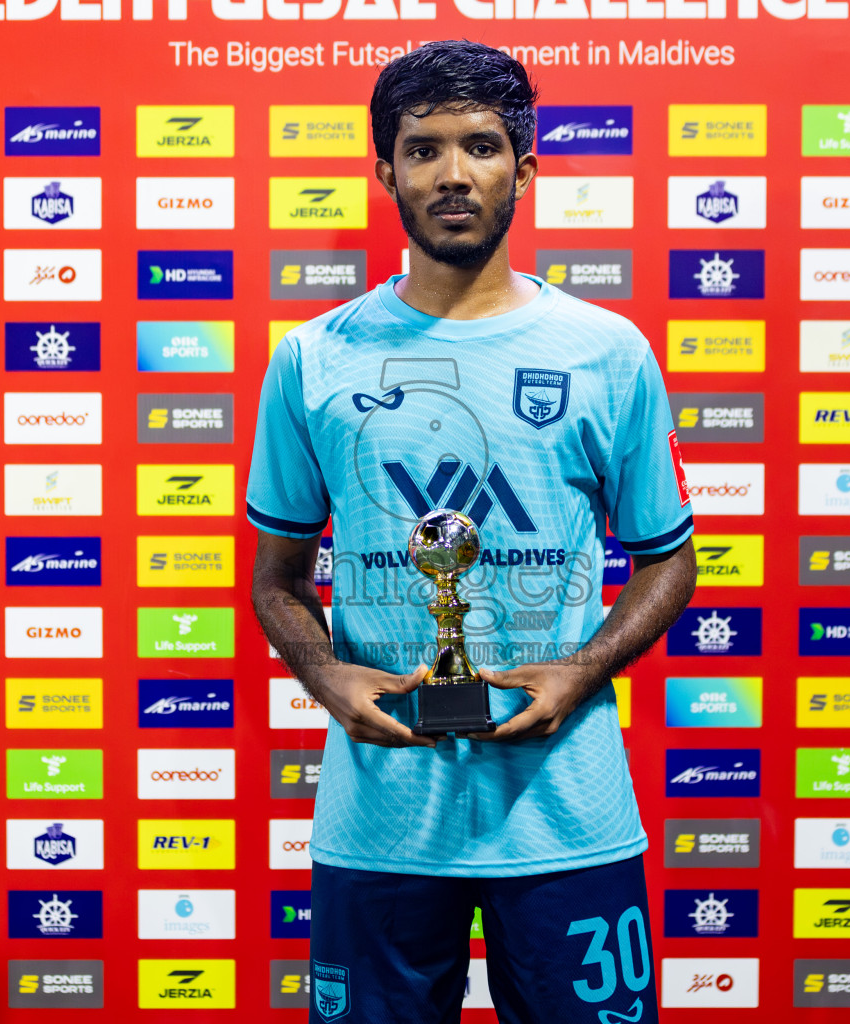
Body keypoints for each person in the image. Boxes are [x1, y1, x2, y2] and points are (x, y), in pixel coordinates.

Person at [247, 39, 696, 1024]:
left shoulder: (607, 351)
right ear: (385, 171)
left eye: (482, 147)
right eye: (424, 149)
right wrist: (328, 676)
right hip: (381, 822)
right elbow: (275, 577)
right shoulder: (312, 359)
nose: (453, 174)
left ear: (524, 169)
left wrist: (583, 669)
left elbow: (669, 558)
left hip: (568, 815)